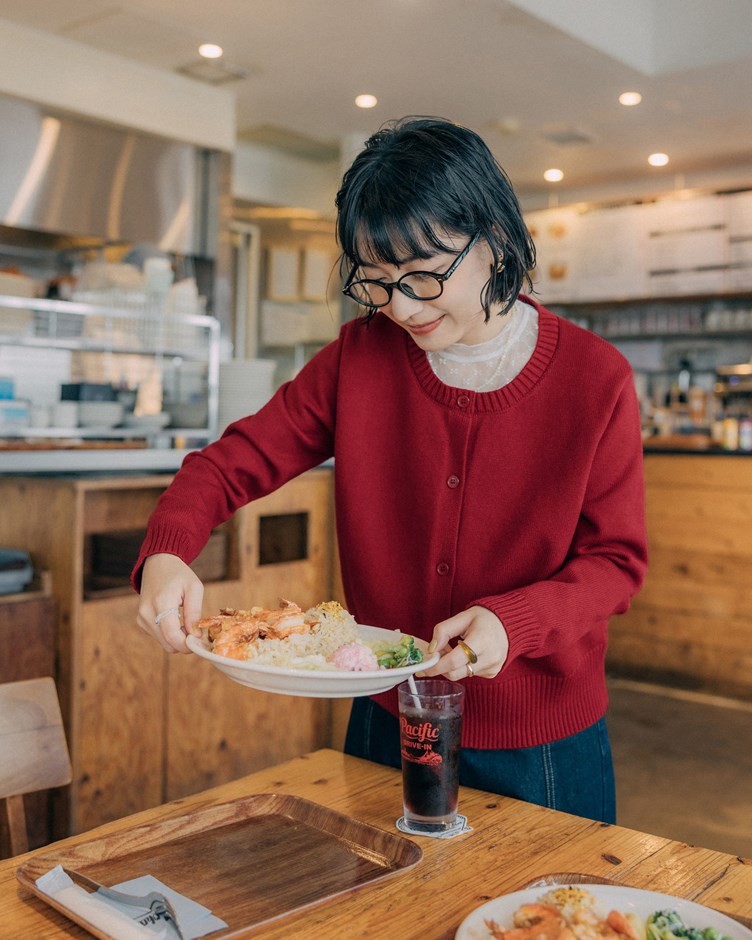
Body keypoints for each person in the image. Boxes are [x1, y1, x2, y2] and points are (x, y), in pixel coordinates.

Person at [133, 117, 647, 824]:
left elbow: (616, 560)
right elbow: (231, 462)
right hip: (385, 713)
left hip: (543, 742)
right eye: (375, 283)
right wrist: (167, 550)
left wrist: (514, 622)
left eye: (424, 276)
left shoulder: (596, 379)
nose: (402, 307)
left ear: (494, 239)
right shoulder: (359, 358)